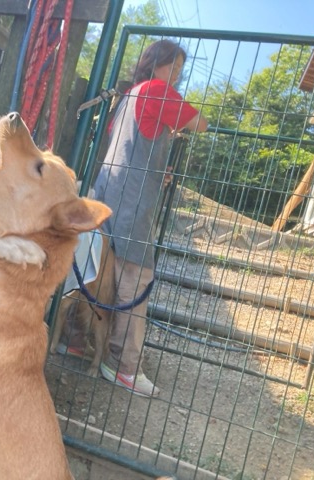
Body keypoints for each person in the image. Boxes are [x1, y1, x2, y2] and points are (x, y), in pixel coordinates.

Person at [90, 39, 208, 397]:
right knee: (136, 276)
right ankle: (123, 364)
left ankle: (78, 340)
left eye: (181, 71)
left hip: (106, 190)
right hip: (133, 199)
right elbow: (200, 124)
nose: (177, 76)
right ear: (155, 63)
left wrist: (157, 165)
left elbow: (129, 143)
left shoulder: (129, 96)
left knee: (97, 267)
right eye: (174, 67)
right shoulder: (158, 90)